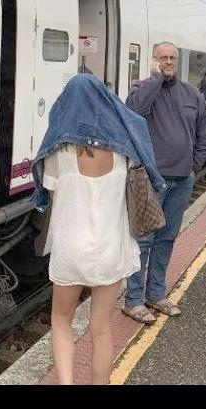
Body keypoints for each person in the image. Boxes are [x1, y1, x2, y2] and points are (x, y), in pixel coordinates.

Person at [30, 74, 165, 385]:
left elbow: (51, 193)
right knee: (101, 328)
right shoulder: (123, 152)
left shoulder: (59, 152)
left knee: (61, 320)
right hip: (110, 247)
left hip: (70, 249)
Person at [123, 41, 206, 323]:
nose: (169, 61)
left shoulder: (192, 93)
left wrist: (194, 167)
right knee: (143, 240)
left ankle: (156, 294)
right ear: (154, 60)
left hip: (182, 180)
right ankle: (133, 300)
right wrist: (155, 79)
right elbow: (133, 111)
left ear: (178, 61)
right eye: (163, 57)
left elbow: (203, 133)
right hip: (150, 179)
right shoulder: (142, 89)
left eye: (173, 57)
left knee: (166, 239)